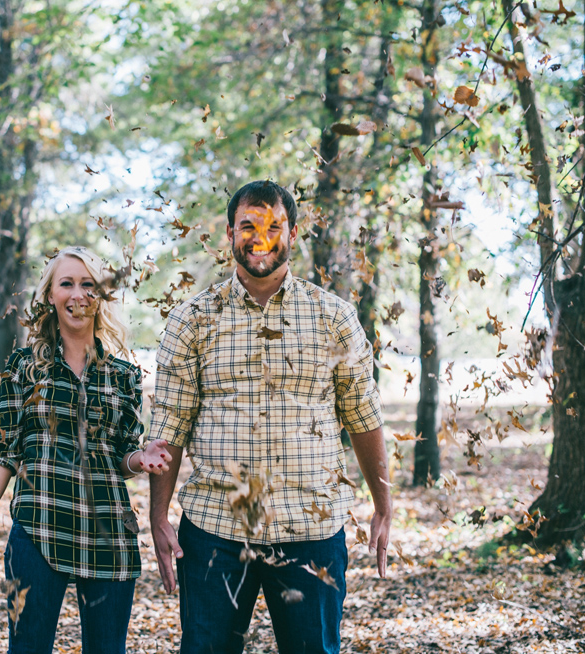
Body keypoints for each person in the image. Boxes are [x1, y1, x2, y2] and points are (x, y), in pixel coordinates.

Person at [148, 181, 392, 654]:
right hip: (216, 530)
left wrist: (383, 504)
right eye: (248, 226)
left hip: (310, 530)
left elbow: (363, 415)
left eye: (273, 226)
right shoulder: (192, 319)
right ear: (229, 233)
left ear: (293, 233)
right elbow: (170, 424)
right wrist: (159, 515)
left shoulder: (334, 317)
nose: (260, 238)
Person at [0, 246, 172, 654]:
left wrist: (141, 458)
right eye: (67, 284)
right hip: (38, 530)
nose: (78, 294)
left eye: (88, 285)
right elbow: (6, 452)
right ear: (50, 295)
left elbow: (122, 455)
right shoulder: (23, 367)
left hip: (108, 537)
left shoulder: (123, 376)